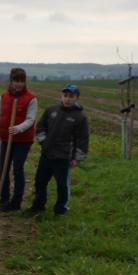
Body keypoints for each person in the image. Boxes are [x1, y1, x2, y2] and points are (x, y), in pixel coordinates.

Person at [28, 84, 89, 216]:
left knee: (62, 185)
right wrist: (43, 142)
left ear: (77, 98)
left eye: (71, 96)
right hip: (47, 154)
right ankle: (38, 205)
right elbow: (40, 127)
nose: (67, 99)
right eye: (65, 96)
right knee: (40, 181)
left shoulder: (80, 117)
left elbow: (82, 139)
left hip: (63, 157)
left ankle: (61, 209)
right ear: (61, 96)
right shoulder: (51, 111)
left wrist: (77, 158)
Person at [0, 68, 38, 211]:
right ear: (11, 81)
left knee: (17, 168)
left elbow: (30, 119)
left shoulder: (31, 99)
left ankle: (16, 202)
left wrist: (18, 128)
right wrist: (0, 124)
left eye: (21, 81)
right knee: (3, 168)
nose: (19, 84)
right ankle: (4, 198)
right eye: (16, 80)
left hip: (23, 140)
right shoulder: (4, 96)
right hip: (6, 138)